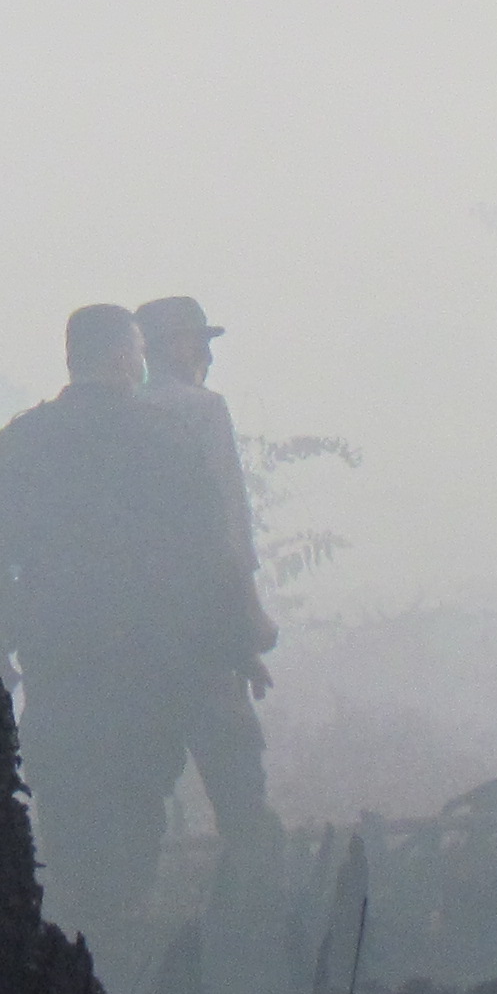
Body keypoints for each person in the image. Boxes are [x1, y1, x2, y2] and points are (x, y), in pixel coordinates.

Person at [0, 304, 264, 961]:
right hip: (148, 654)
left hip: (59, 649)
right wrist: (237, 643)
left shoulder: (23, 439)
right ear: (126, 356)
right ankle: (122, 926)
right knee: (136, 788)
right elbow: (211, 552)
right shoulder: (166, 438)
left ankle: (77, 920)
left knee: (67, 784)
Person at [136, 292, 284, 916]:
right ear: (170, 345)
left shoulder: (122, 412)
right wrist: (246, 627)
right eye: (198, 341)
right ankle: (262, 920)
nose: (206, 355)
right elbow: (228, 526)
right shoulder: (201, 410)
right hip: (201, 630)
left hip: (133, 634)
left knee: (138, 789)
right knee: (239, 791)